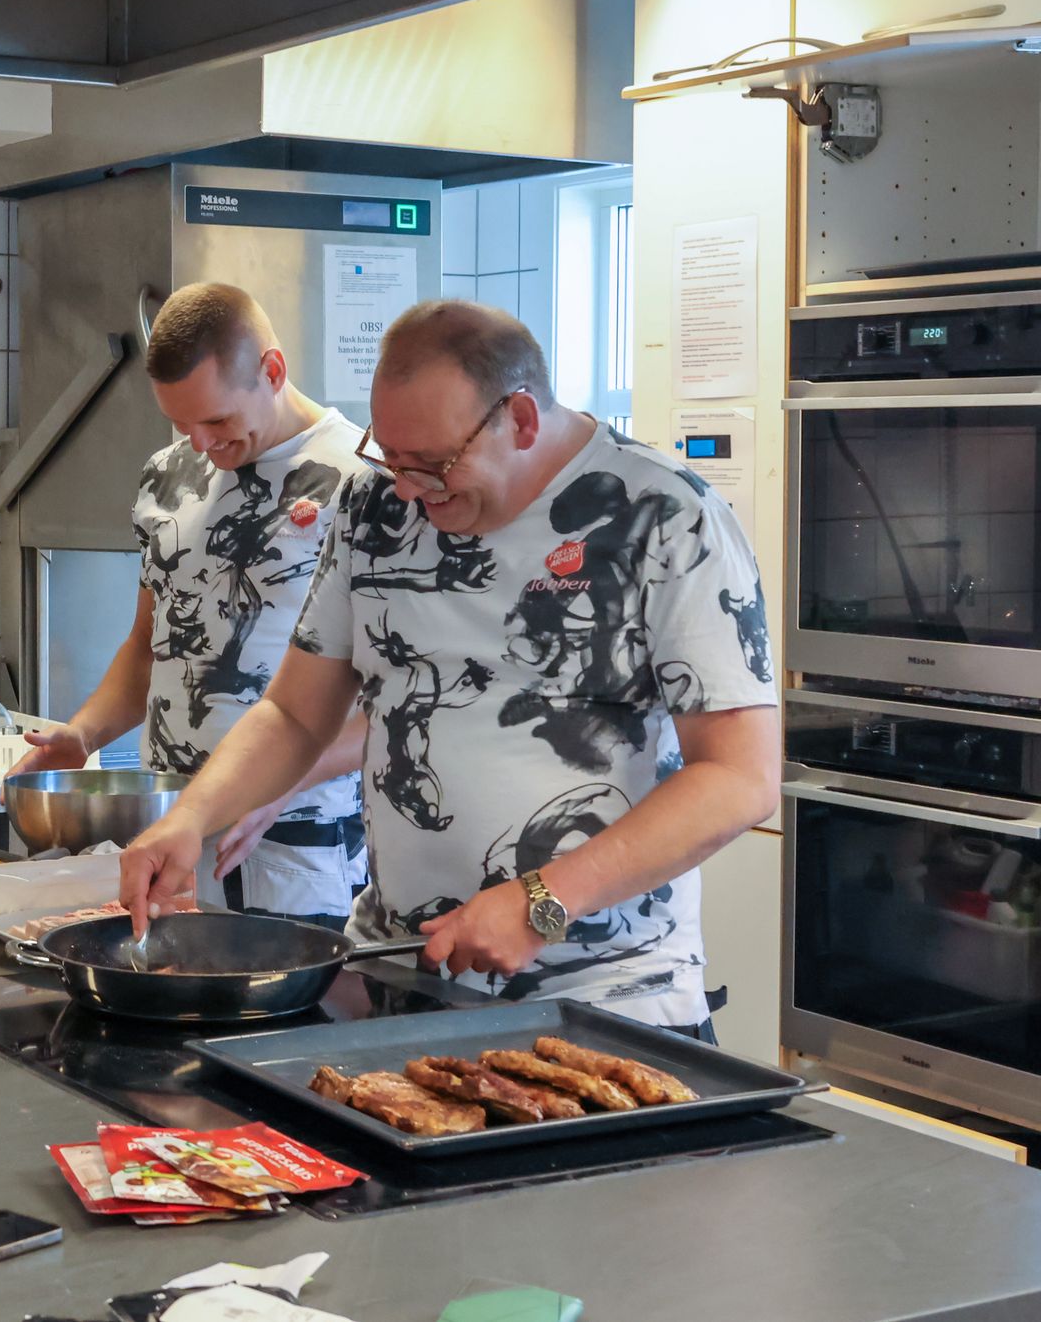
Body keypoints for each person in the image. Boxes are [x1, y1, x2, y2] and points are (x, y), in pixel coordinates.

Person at [119, 298, 779, 1034]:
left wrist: (543, 901)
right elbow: (296, 713)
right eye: (389, 458)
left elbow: (739, 777)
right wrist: (191, 819)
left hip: (604, 993)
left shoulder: (666, 516)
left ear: (520, 420)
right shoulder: (374, 507)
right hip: (399, 972)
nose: (407, 489)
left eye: (432, 464)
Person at [10, 282, 370, 929]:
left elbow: (392, 703)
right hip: (169, 836)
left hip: (292, 842)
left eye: (218, 421)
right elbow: (149, 648)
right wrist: (83, 735)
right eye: (182, 425)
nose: (200, 445)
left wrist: (279, 782)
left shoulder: (365, 481)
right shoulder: (167, 476)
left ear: (273, 371)